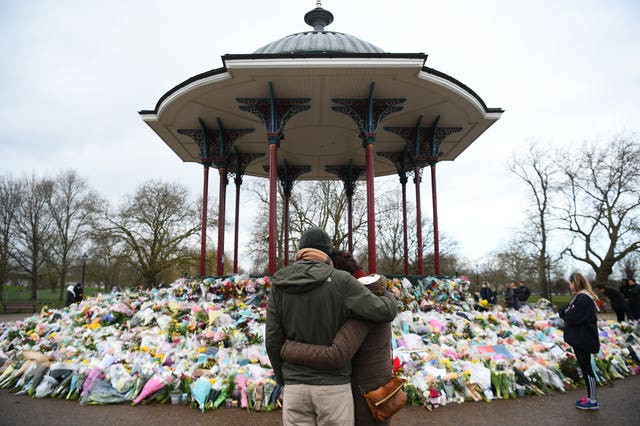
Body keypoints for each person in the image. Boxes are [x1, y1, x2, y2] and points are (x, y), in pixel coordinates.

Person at [265, 227, 398, 425]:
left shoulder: (279, 283)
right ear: (327, 253)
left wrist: (284, 378)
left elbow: (273, 340)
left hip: (295, 388)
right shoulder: (341, 281)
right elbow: (384, 311)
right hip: (333, 388)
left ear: (300, 250)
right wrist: (382, 290)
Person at [281, 273, 393, 426]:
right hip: (379, 388)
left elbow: (336, 355)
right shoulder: (383, 306)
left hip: (366, 396)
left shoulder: (362, 318)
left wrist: (288, 348)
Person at [559, 272, 600, 411]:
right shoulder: (581, 297)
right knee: (585, 368)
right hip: (582, 337)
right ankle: (590, 397)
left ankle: (593, 399)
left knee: (587, 369)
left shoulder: (583, 298)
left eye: (570, 283)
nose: (570, 286)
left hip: (584, 338)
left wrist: (565, 313)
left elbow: (571, 316)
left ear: (574, 283)